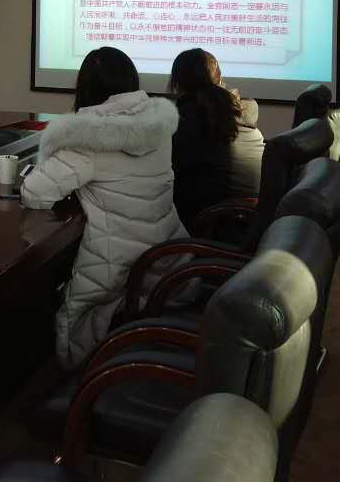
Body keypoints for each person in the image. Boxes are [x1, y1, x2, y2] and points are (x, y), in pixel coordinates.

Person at [20, 47, 184, 368]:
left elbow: (35, 193)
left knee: (63, 312)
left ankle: (67, 378)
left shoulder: (89, 136)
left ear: (85, 87)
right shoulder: (158, 125)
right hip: (163, 257)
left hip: (114, 268)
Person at [168, 49, 265, 228]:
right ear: (220, 80)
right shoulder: (241, 113)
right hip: (253, 222)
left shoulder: (187, 122)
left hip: (214, 225)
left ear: (177, 85)